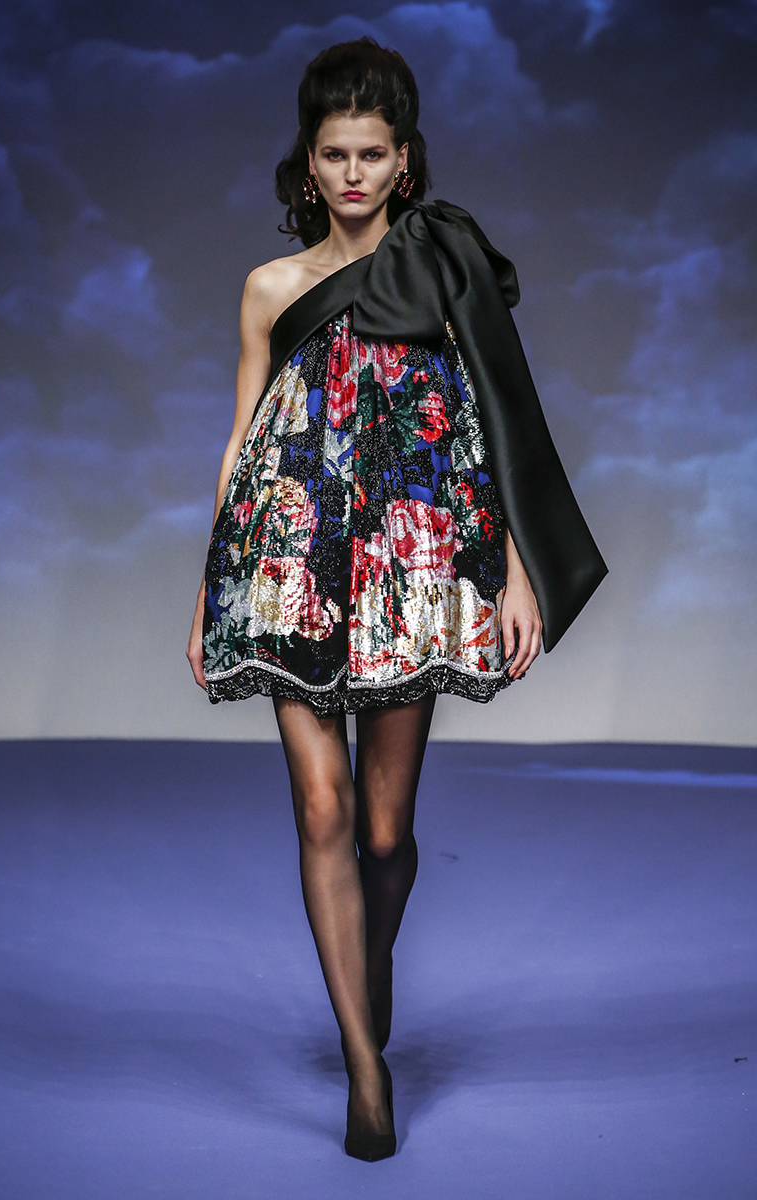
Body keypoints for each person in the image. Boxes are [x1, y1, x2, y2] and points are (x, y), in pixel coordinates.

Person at [186, 37, 606, 1161]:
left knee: (383, 832)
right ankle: (365, 1069)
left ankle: (368, 969)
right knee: (322, 812)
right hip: (284, 567)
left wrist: (512, 569)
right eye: (335, 154)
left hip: (409, 573)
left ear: (405, 159)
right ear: (308, 162)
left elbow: (493, 428)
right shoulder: (269, 289)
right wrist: (207, 596)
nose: (353, 173)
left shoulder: (440, 268)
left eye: (372, 153)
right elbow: (240, 444)